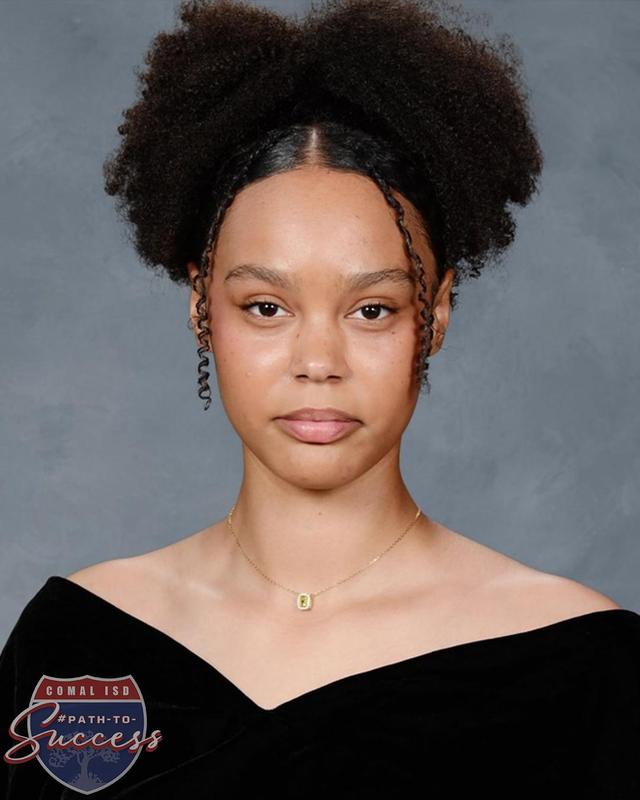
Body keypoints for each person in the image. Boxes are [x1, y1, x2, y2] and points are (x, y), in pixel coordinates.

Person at [2, 0, 638, 796]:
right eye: (265, 308)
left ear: (434, 315)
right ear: (201, 308)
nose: (318, 361)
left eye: (372, 309)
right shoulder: (75, 641)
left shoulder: (580, 664)